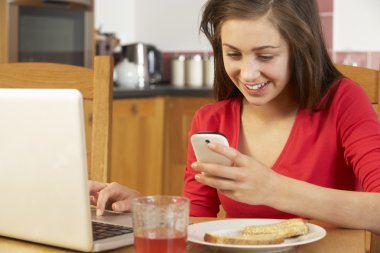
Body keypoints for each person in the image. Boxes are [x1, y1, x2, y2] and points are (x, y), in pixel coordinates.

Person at [89, 0, 380, 234]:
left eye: (265, 56)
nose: (248, 74)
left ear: (300, 50)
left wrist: (274, 190)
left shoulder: (342, 100)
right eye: (234, 54)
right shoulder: (211, 121)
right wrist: (144, 207)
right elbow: (197, 222)